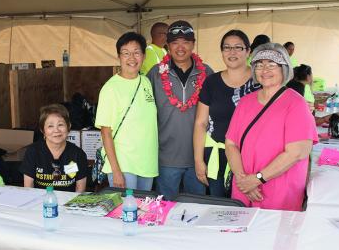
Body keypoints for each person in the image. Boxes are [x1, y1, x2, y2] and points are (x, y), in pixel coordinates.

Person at [225, 43, 318, 211]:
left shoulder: (296, 104)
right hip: (244, 188)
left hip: (278, 191)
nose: (264, 70)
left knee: (274, 234)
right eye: (259, 65)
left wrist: (257, 179)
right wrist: (243, 179)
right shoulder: (245, 102)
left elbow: (297, 152)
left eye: (271, 64)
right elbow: (231, 144)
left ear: (284, 68)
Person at [148, 20, 214, 200]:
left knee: (196, 209)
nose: (180, 47)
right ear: (167, 45)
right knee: (165, 210)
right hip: (166, 158)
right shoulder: (155, 73)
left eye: (186, 41)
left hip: (198, 159)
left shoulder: (207, 73)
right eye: (175, 42)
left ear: (193, 44)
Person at [193, 30, 260, 197]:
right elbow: (201, 123)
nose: (232, 52)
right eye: (227, 47)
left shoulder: (260, 81)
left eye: (238, 47)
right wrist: (198, 160)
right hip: (217, 155)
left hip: (250, 157)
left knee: (248, 207)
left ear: (248, 51)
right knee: (219, 209)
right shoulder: (212, 82)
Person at [95, 32, 158, 190]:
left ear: (143, 56)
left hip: (147, 163)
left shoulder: (146, 82)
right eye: (126, 53)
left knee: (143, 211)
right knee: (126, 212)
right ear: (119, 57)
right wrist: (116, 171)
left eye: (136, 52)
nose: (132, 58)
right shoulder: (110, 88)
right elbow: (106, 132)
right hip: (124, 165)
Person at [21, 104, 87, 192]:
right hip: (40, 203)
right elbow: (28, 188)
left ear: (68, 127)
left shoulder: (78, 154)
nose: (56, 130)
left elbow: (80, 190)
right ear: (42, 130)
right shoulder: (33, 152)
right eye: (50, 126)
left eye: (60, 125)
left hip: (68, 203)